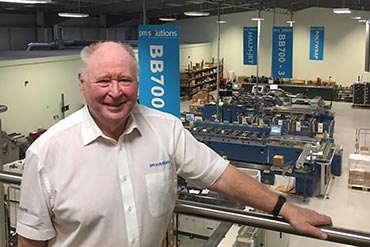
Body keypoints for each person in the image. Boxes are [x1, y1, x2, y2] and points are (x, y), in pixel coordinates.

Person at [16, 41, 332, 247]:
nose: (116, 91)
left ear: (137, 83)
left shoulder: (165, 129)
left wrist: (285, 207)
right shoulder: (46, 154)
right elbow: (32, 242)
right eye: (103, 81)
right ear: (82, 84)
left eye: (125, 80)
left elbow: (220, 174)